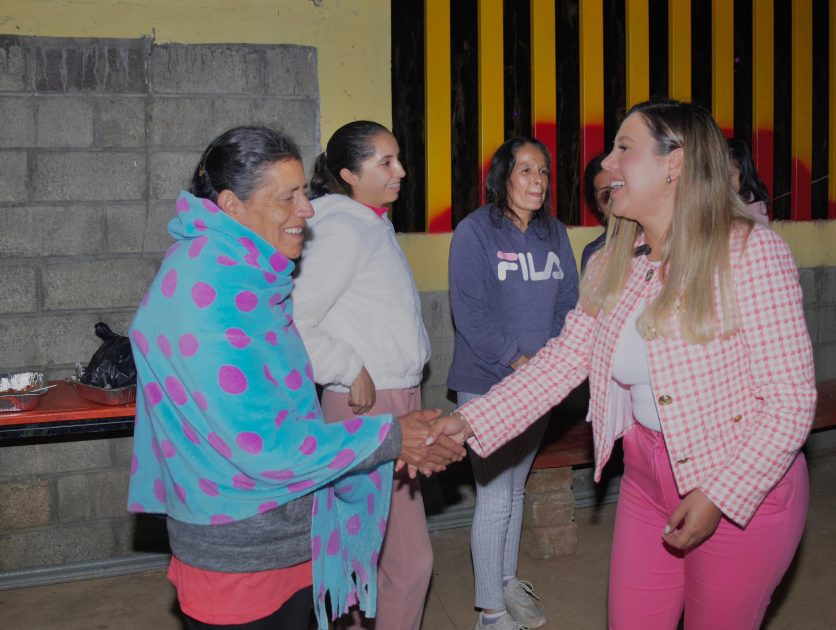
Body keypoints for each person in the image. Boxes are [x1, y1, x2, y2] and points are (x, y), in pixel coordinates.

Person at [429, 100, 816, 629]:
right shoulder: (616, 261)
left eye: (624, 149)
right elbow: (563, 360)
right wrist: (467, 421)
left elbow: (792, 403)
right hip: (645, 480)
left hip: (739, 480)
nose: (608, 163)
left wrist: (720, 496)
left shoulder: (751, 252)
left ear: (674, 164)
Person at [126, 126, 464, 630]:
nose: (306, 209)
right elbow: (266, 447)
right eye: (287, 197)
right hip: (241, 553)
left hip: (279, 529)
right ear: (231, 204)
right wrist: (393, 435)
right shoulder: (209, 298)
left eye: (303, 191)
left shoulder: (240, 271)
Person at [292, 121, 434, 630]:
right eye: (385, 162)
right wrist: (347, 367)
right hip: (366, 407)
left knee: (365, 553)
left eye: (398, 159)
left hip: (393, 399)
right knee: (405, 563)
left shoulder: (369, 223)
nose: (401, 171)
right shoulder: (342, 230)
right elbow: (296, 320)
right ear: (349, 174)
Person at [447, 136, 579, 630]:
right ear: (503, 176)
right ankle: (490, 614)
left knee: (516, 491)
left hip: (538, 384)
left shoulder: (554, 233)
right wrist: (519, 360)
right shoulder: (475, 232)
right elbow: (470, 314)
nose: (537, 181)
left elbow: (569, 302)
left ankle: (504, 582)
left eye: (543, 171)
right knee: (496, 497)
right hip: (487, 382)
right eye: (526, 170)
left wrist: (551, 361)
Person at [581, 152, 614, 271]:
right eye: (606, 194)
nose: (616, 197)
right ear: (597, 205)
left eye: (620, 187)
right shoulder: (595, 253)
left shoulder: (653, 237)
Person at [727, 137, 771, 225]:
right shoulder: (717, 199)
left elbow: (761, 231)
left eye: (730, 175)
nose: (724, 181)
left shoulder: (756, 207)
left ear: (744, 174)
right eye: (720, 175)